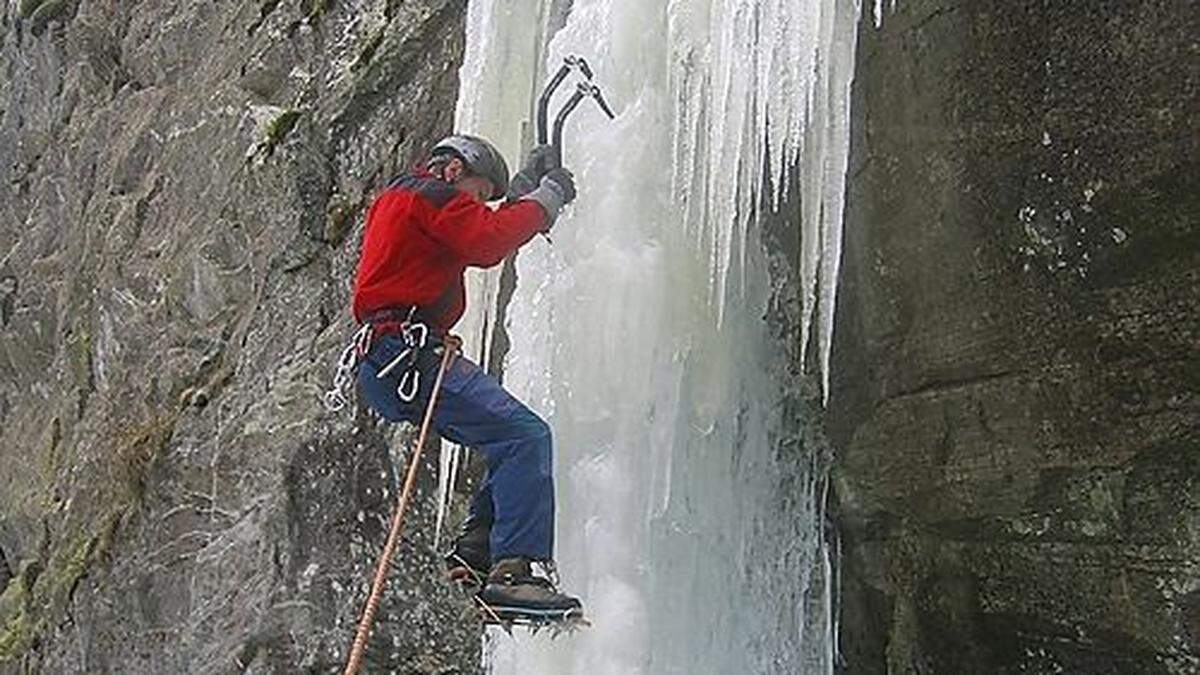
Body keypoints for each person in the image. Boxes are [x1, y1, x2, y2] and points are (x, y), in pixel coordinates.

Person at [350, 134, 581, 618]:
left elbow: (475, 227)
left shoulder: (404, 198)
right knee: (525, 435)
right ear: (452, 171)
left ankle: (477, 548)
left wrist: (519, 194)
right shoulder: (428, 194)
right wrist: (547, 200)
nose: (474, 204)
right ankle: (513, 574)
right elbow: (486, 240)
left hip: (388, 359)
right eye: (477, 193)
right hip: (408, 354)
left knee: (504, 438)